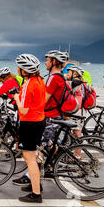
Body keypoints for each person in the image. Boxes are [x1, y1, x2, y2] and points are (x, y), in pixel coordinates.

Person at [13, 50, 66, 186]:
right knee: (39, 150)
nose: (46, 62)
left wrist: (18, 99)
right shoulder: (42, 79)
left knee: (36, 152)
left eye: (48, 60)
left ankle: (34, 182)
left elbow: (42, 100)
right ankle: (36, 180)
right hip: (42, 117)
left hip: (42, 117)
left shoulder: (52, 78)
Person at [12, 54, 46, 203]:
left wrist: (17, 98)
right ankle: (36, 184)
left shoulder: (28, 84)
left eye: (19, 67)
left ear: (24, 70)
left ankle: (36, 194)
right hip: (39, 120)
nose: (17, 69)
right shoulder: (40, 81)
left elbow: (24, 110)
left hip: (29, 122)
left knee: (29, 158)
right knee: (35, 154)